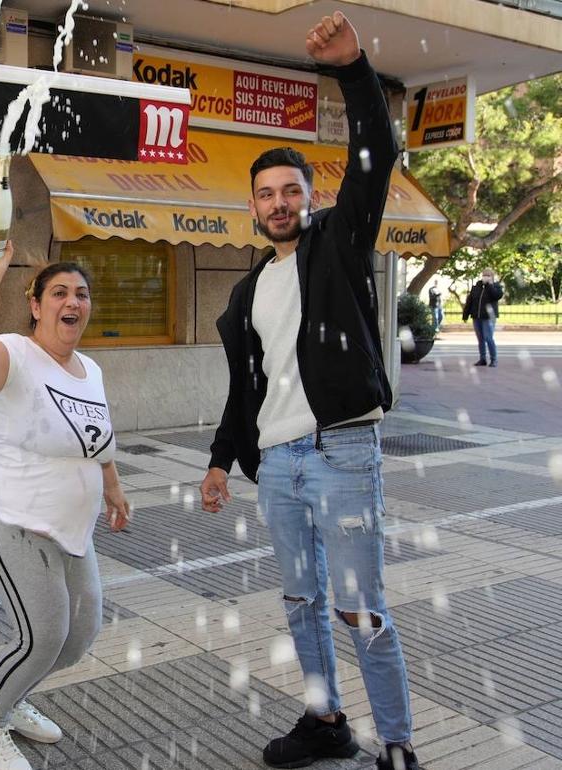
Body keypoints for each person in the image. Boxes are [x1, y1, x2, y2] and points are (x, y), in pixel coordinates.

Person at [198, 13, 420, 770]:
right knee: (300, 602)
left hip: (344, 450)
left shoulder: (339, 241)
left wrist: (353, 68)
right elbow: (246, 389)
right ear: (253, 206)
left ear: (309, 196)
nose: (279, 203)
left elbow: (378, 152)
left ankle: (396, 741)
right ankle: (325, 721)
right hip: (280, 463)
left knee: (360, 607)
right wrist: (222, 458)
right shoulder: (247, 291)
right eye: (266, 194)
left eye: (291, 190)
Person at [0, 238, 130, 770]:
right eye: (58, 293)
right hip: (11, 515)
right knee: (41, 636)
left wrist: (113, 486)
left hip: (72, 527)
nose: (72, 302)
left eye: (81, 294)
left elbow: (96, 437)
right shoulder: (15, 352)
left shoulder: (89, 370)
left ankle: (14, 696)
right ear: (36, 305)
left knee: (78, 637)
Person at [462, 268, 503, 367]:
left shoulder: (496, 287)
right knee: (480, 339)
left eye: (488, 275)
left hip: (488, 317)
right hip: (477, 317)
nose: (485, 276)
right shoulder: (477, 287)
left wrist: (489, 285)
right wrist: (465, 314)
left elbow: (496, 296)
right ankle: (482, 359)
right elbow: (470, 301)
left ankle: (494, 359)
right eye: (484, 274)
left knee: (488, 338)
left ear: (492, 276)